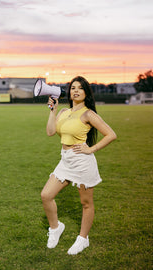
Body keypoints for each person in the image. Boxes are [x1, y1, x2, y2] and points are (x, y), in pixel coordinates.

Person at [41, 76, 117, 255]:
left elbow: (111, 134)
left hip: (82, 162)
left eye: (80, 88)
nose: (75, 91)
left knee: (86, 203)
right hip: (65, 160)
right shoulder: (64, 112)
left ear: (85, 92)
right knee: (46, 195)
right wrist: (53, 111)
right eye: (73, 87)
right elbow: (51, 132)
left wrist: (92, 149)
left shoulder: (88, 114)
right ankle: (56, 228)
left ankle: (83, 239)